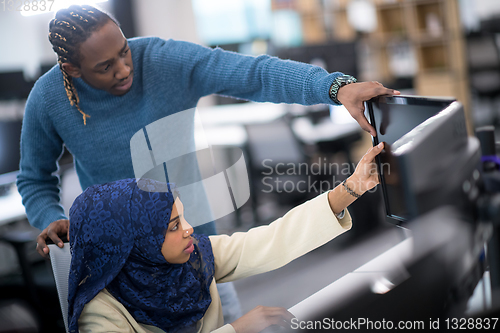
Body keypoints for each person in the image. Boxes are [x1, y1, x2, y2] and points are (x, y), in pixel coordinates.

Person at [16, 3, 397, 322]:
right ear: (73, 70)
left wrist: (334, 87)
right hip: (119, 264)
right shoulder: (48, 100)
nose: (124, 69)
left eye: (124, 52)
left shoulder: (162, 60)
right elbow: (34, 178)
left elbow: (254, 74)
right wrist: (49, 217)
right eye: (105, 67)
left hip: (190, 245)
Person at [68, 142, 384, 333]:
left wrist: (352, 188)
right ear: (137, 245)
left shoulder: (195, 256)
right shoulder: (100, 312)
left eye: (183, 217)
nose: (190, 229)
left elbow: (273, 240)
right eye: (174, 226)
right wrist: (239, 328)